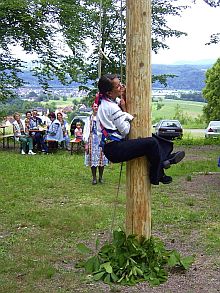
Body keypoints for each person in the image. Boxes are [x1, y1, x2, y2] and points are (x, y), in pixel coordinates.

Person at [96, 74, 185, 185]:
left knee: (152, 137)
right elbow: (125, 130)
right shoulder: (111, 107)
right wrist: (125, 111)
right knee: (151, 143)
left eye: (120, 84)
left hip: (113, 146)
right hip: (114, 149)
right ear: (109, 92)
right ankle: (156, 175)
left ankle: (166, 160)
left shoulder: (107, 101)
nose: (121, 87)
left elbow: (118, 100)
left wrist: (122, 94)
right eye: (118, 86)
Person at [83, 102, 109, 184]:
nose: (96, 108)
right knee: (92, 160)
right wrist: (86, 143)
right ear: (92, 108)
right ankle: (94, 178)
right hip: (92, 140)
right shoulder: (89, 119)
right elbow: (86, 131)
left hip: (101, 140)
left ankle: (101, 177)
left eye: (97, 106)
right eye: (94, 106)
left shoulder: (102, 118)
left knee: (101, 159)